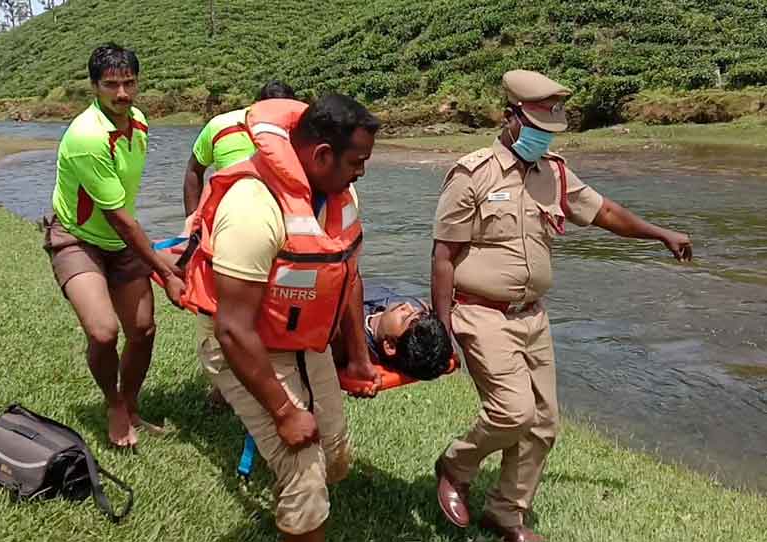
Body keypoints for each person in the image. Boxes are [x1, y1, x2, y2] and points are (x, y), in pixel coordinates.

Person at [430, 70, 693, 542]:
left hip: (533, 316)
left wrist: (661, 234)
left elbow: (605, 212)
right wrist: (443, 324)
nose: (542, 137)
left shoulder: (553, 172)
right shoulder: (472, 174)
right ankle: (455, 465)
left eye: (550, 130)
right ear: (511, 118)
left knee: (544, 423)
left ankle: (506, 513)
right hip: (481, 311)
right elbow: (444, 255)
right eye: (536, 127)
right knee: (512, 413)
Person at [188, 94, 380, 541]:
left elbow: (347, 274)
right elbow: (232, 330)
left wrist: (356, 356)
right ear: (322, 155)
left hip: (302, 340)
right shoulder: (253, 208)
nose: (362, 171)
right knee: (305, 470)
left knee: (334, 454)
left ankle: (300, 495)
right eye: (357, 160)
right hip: (243, 344)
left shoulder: (340, 193)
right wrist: (283, 412)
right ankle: (302, 510)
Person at [42, 43, 185, 449]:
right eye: (111, 85)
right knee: (104, 332)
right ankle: (112, 404)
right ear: (94, 87)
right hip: (78, 237)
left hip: (119, 240)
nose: (122, 94)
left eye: (129, 83)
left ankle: (132, 402)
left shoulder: (138, 122)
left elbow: (125, 209)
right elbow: (120, 218)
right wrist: (165, 271)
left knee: (142, 329)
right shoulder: (87, 136)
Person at [182, 80, 297, 216]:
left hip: (281, 218)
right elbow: (194, 170)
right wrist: (192, 221)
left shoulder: (298, 131)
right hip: (228, 217)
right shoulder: (220, 126)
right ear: (254, 108)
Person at [332, 279, 453, 381]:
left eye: (405, 317)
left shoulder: (347, 340)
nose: (407, 305)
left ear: (390, 345)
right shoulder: (410, 309)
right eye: (419, 312)